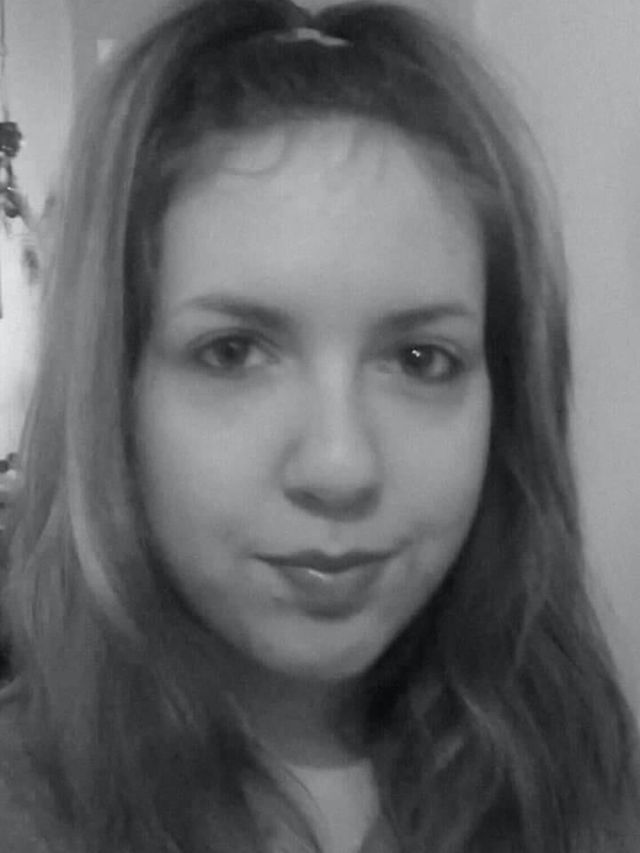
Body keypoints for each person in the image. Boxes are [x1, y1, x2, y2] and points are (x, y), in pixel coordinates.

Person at [0, 1, 638, 851]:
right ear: (115, 394)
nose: (341, 466)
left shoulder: (583, 776)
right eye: (233, 352)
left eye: (421, 359)